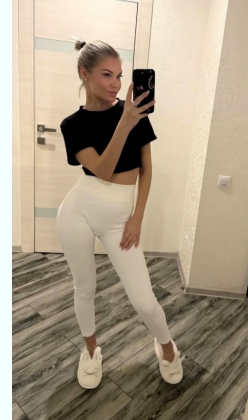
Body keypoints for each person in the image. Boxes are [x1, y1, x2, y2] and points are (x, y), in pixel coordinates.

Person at [56, 39, 184, 389]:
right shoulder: (72, 125)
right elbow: (102, 170)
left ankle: (167, 347)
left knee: (144, 300)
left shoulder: (134, 113)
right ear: (84, 74)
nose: (115, 83)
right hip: (79, 211)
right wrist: (124, 123)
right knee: (85, 288)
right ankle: (91, 351)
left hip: (121, 218)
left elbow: (146, 167)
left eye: (120, 75)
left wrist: (138, 216)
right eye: (107, 75)